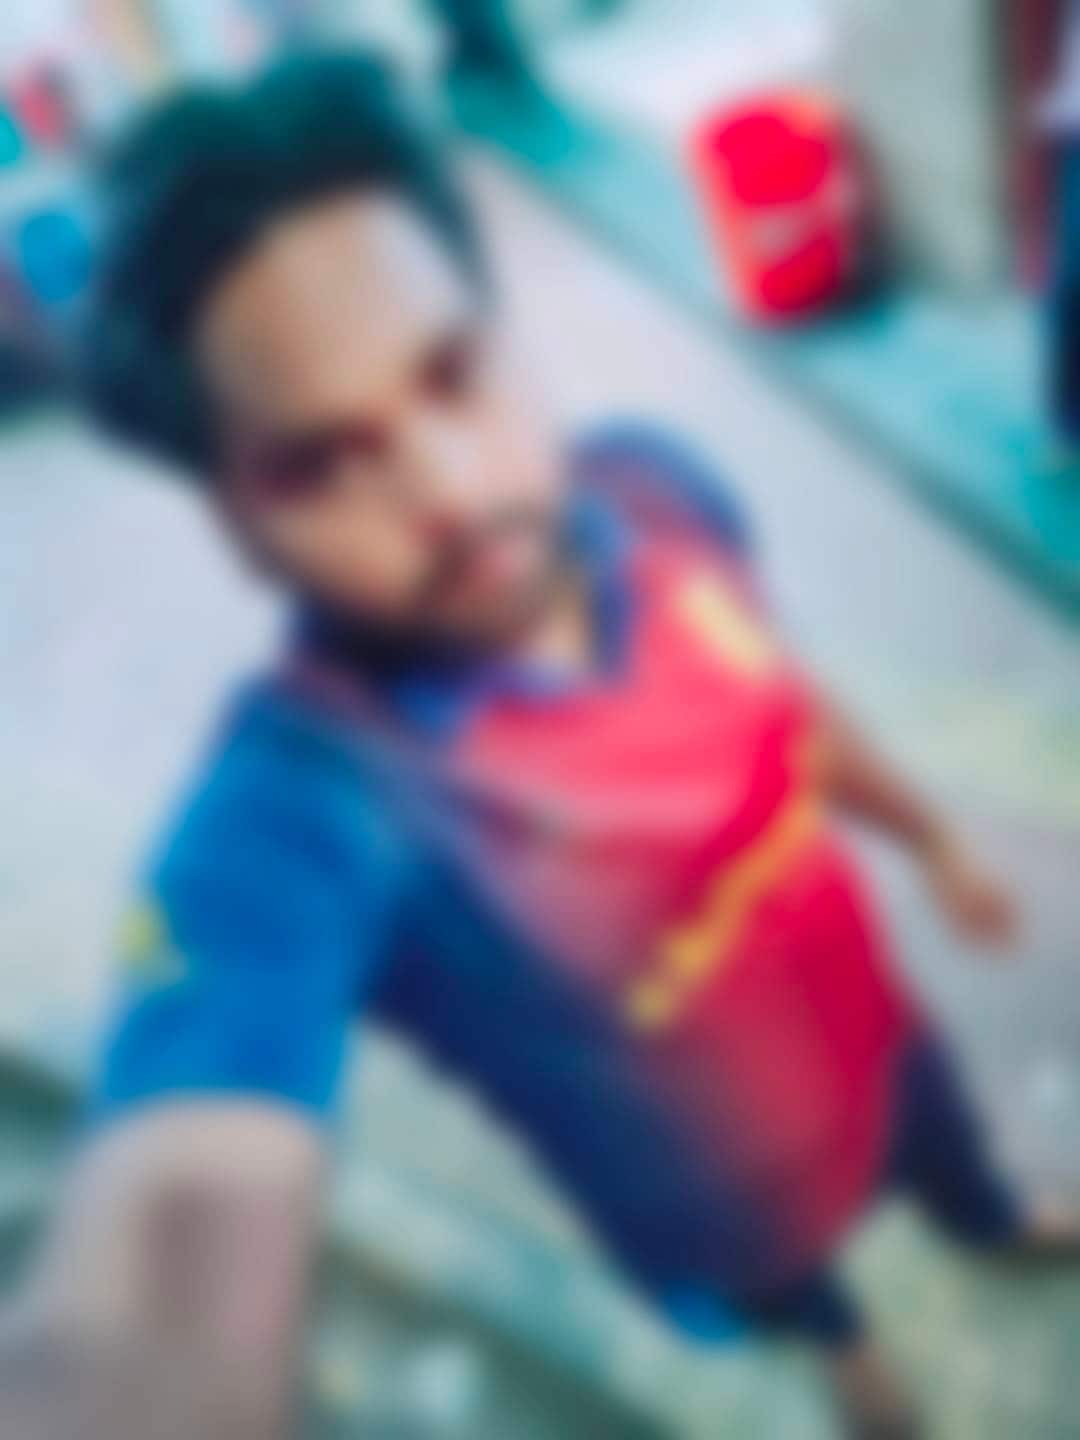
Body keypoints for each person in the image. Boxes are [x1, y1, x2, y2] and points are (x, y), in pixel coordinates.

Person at [1, 51, 1076, 1440]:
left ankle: (991, 1217)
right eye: (317, 464)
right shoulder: (314, 816)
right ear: (231, 523)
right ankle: (859, 1375)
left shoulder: (656, 491)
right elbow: (169, 1235)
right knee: (816, 1312)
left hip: (875, 1021)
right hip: (725, 1204)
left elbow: (784, 694)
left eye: (453, 374)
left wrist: (926, 839)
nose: (451, 492)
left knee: (947, 1147)